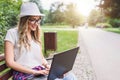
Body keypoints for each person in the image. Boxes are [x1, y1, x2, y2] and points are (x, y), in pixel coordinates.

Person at [4, 2, 77, 80]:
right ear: (24, 20)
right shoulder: (12, 33)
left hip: (39, 71)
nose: (37, 23)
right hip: (25, 75)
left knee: (70, 77)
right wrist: (34, 72)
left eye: (38, 20)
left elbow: (41, 58)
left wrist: (48, 66)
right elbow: (9, 62)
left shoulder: (34, 36)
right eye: (33, 20)